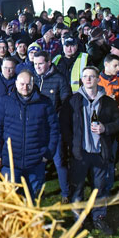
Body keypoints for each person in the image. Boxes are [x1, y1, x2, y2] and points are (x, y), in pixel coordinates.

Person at [62, 67, 119, 235]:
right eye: (85, 76)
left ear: (97, 80)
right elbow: (64, 125)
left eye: (92, 76)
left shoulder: (108, 102)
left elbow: (117, 123)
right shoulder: (72, 101)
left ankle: (98, 217)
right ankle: (78, 219)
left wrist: (105, 128)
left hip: (100, 152)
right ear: (81, 79)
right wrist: (72, 145)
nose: (88, 79)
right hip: (80, 153)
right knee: (77, 187)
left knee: (99, 187)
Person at [0, 70, 60, 199]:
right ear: (16, 83)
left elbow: (54, 129)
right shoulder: (4, 102)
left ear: (33, 84)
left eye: (28, 84)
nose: (25, 87)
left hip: (36, 162)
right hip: (10, 162)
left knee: (33, 200)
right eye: (22, 84)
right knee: (10, 200)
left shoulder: (44, 103)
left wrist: (48, 153)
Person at [32, 50, 72, 203]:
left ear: (49, 62)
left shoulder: (59, 79)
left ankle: (65, 193)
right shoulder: (33, 78)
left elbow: (66, 102)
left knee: (59, 161)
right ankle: (35, 191)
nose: (38, 67)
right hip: (36, 128)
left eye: (41, 63)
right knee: (37, 161)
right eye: (35, 64)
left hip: (54, 128)